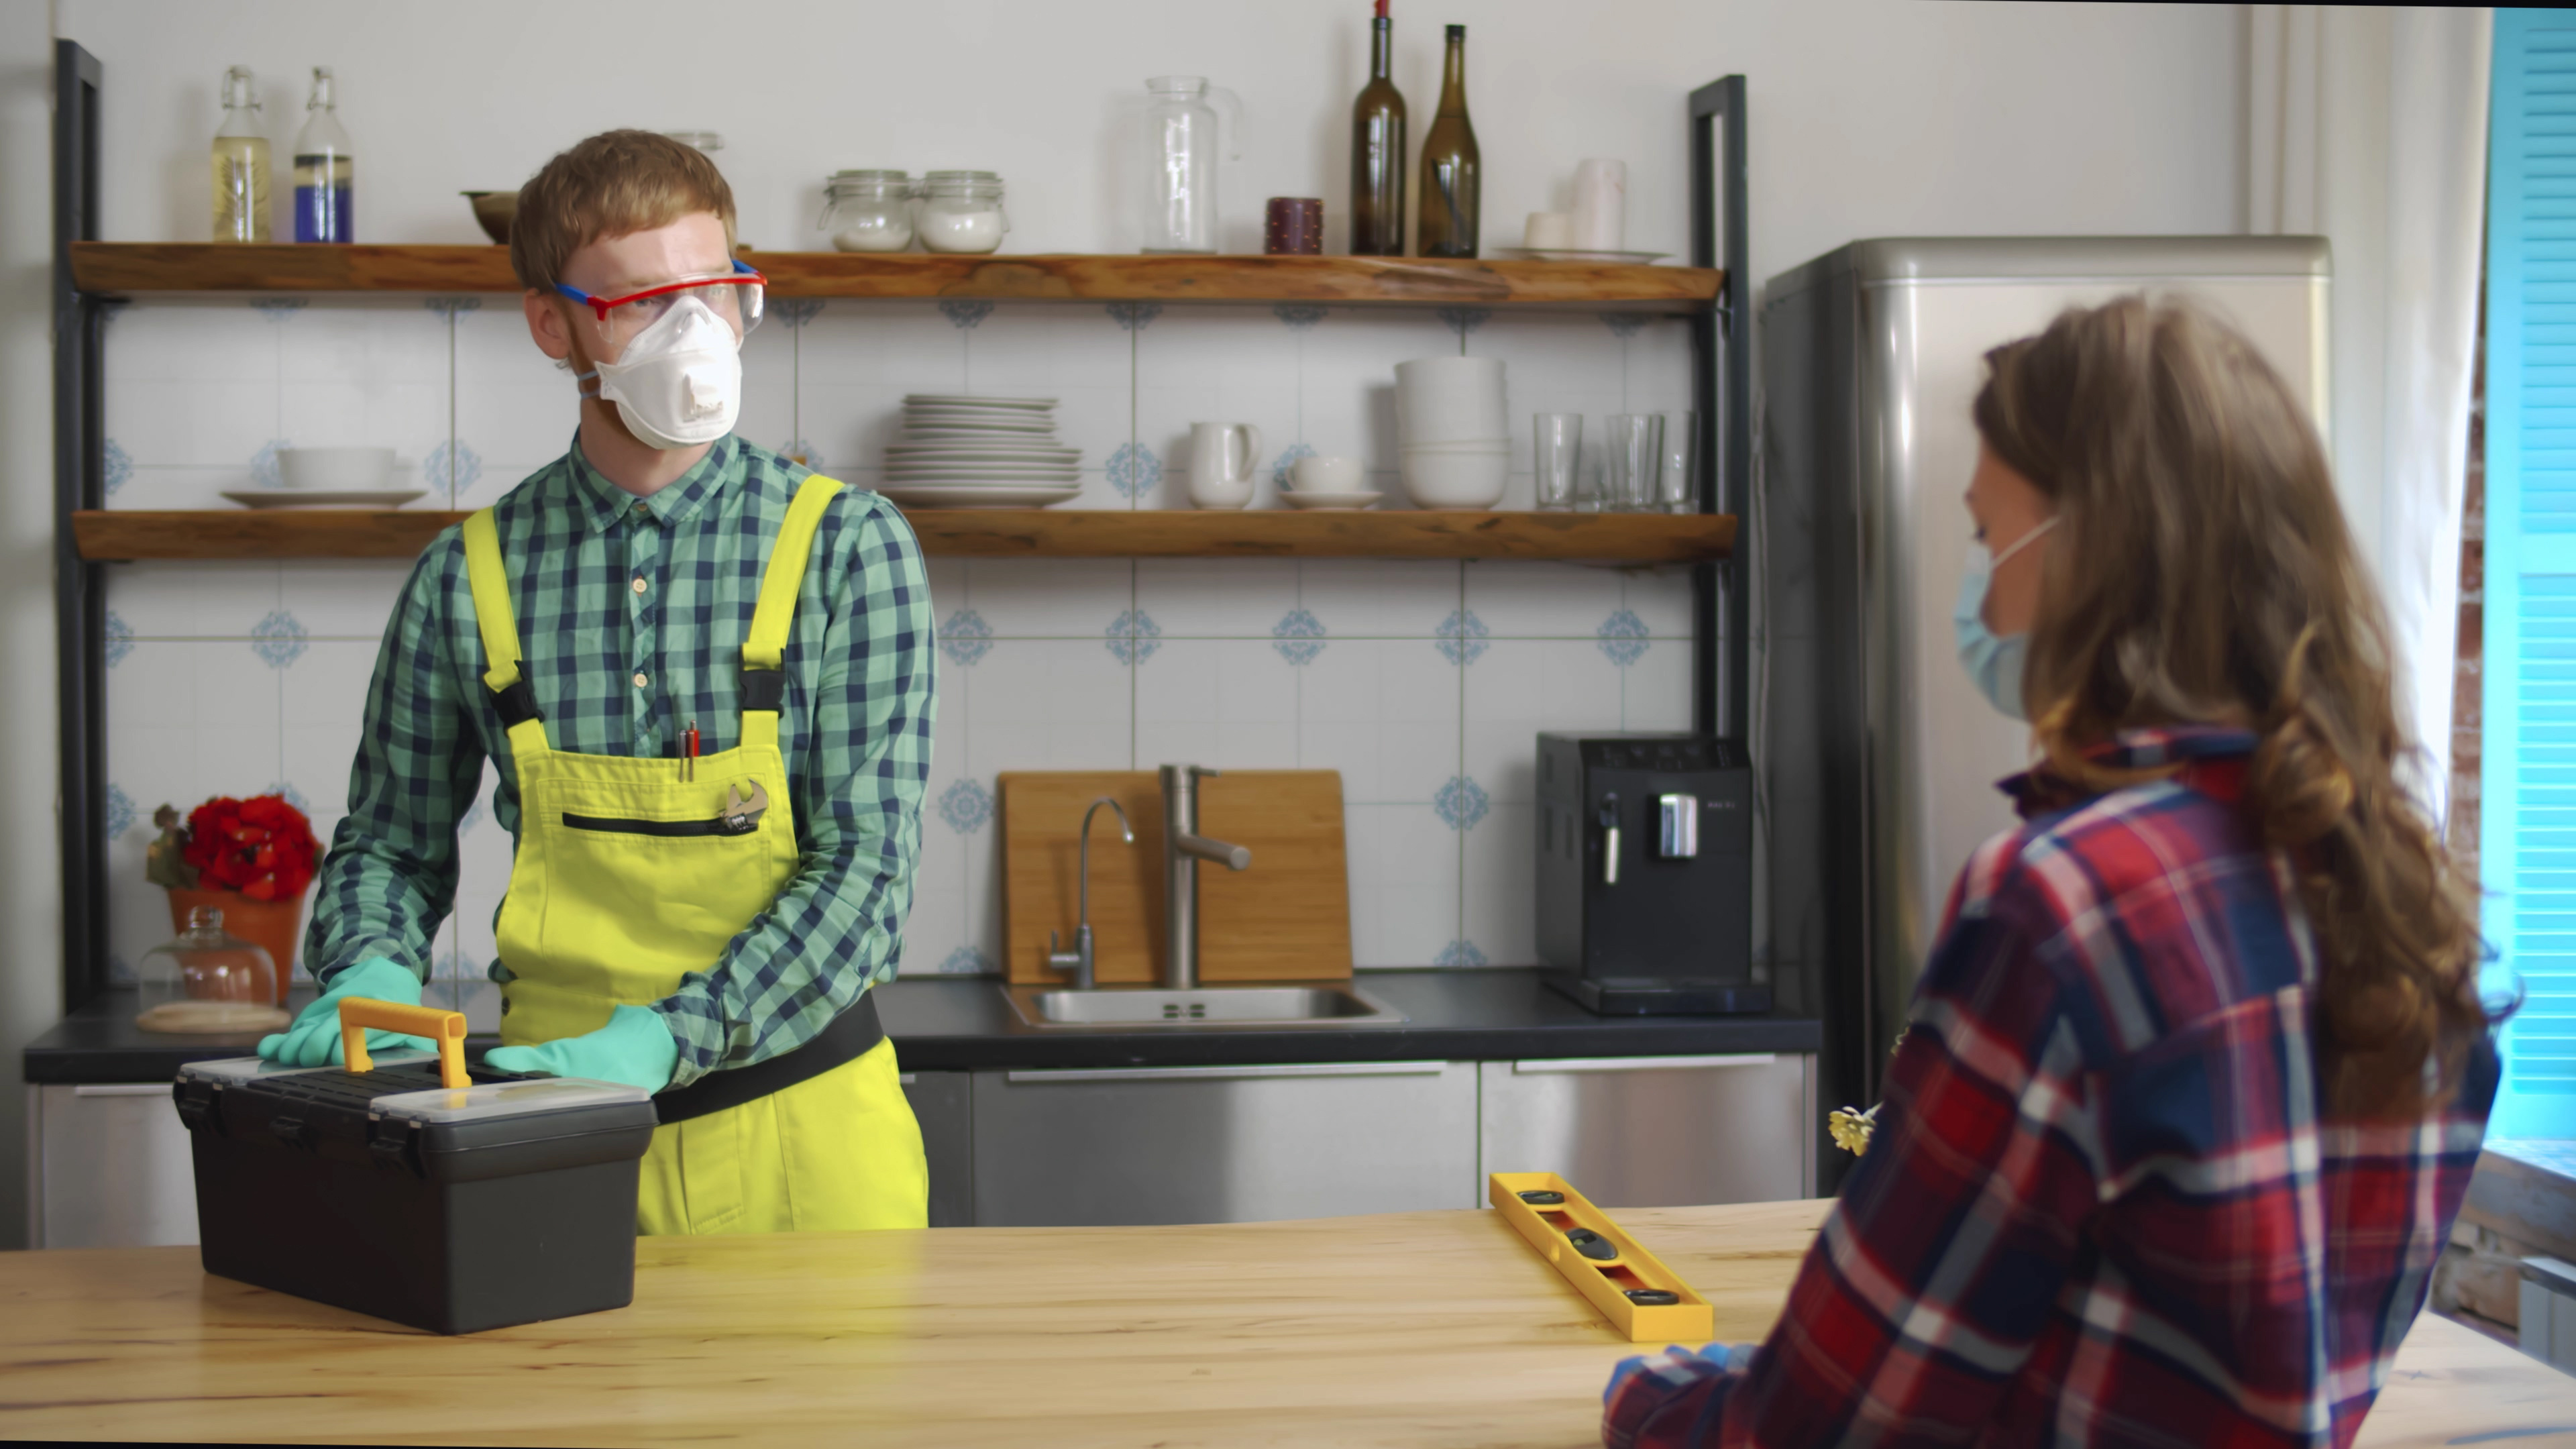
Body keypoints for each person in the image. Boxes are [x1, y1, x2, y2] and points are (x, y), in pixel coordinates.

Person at [1603, 297, 2497, 1446]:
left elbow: (1826, 1426)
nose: (1980, 598)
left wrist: (1646, 1400)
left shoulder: (2064, 906)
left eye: (1988, 540)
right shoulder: (2410, 905)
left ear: (2084, 556)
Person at [256, 129, 937, 1235]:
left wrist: (673, 1036)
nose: (691, 334)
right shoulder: (466, 575)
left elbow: (866, 873)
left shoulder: (848, 548)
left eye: (713, 291)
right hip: (554, 1147)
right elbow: (390, 842)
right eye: (640, 302)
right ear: (552, 325)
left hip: (804, 1146)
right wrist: (369, 972)